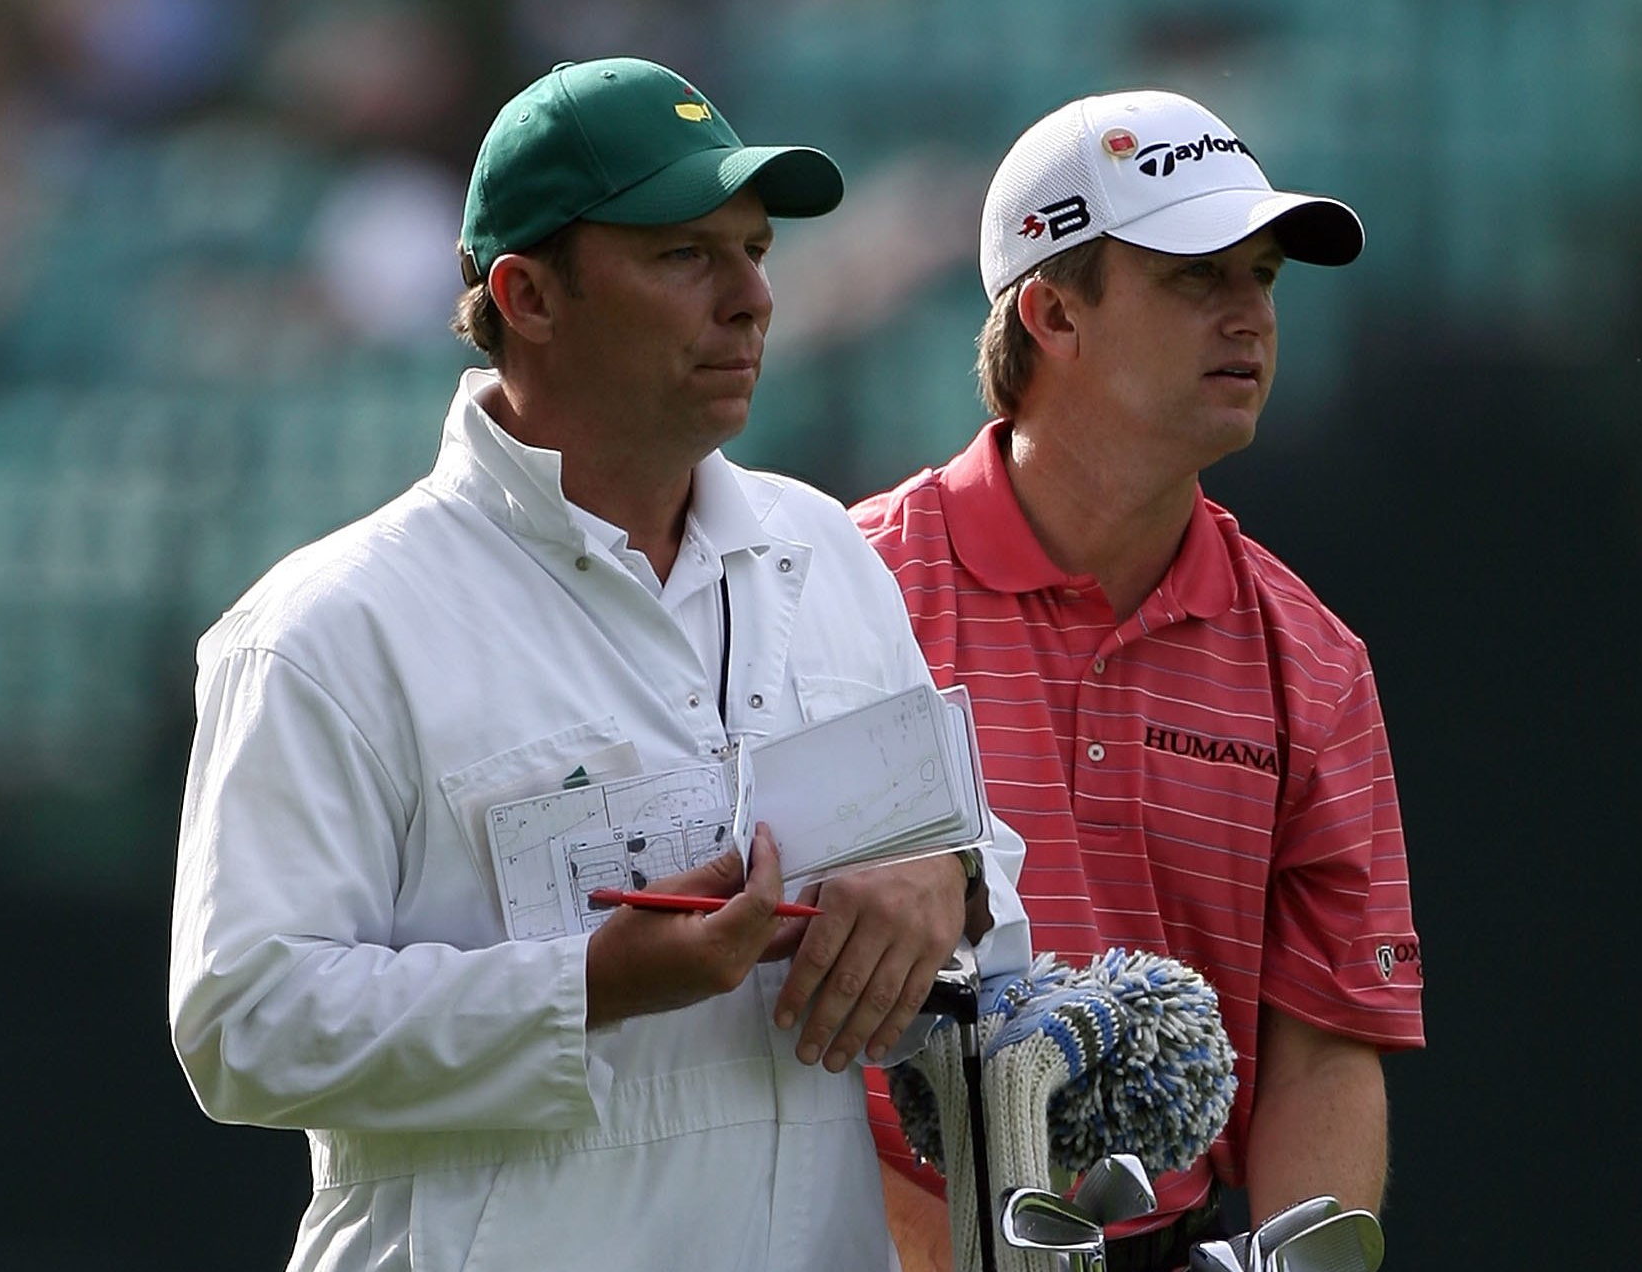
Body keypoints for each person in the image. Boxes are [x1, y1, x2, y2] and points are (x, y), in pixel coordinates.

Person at [168, 57, 1029, 1271]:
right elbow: (243, 1029)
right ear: (526, 294)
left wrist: (950, 880)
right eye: (685, 256)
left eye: (757, 253)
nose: (750, 300)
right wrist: (588, 987)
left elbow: (979, 887)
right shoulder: (324, 629)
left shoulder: (827, 550)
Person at [853, 89, 1426, 1271]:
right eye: (1195, 277)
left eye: (1262, 277)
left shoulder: (1312, 661)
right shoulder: (841, 596)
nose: (1249, 317)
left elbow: (1321, 1045)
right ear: (1053, 313)